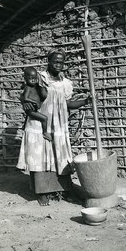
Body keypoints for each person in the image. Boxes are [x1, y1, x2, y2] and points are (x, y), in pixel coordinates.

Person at [17, 50, 90, 206]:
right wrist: (25, 103)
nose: (58, 64)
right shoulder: (40, 77)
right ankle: (42, 192)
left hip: (59, 124)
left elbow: (68, 104)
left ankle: (65, 190)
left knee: (60, 156)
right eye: (55, 61)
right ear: (48, 61)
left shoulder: (66, 83)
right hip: (40, 123)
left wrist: (85, 101)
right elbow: (26, 93)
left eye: (61, 62)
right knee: (40, 156)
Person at [21, 66, 52, 141]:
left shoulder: (37, 86)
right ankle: (45, 133)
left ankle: (24, 126)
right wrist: (35, 102)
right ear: (25, 78)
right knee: (44, 118)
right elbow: (25, 98)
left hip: (33, 109)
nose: (33, 80)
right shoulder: (28, 87)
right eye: (30, 78)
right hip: (30, 110)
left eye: (34, 78)